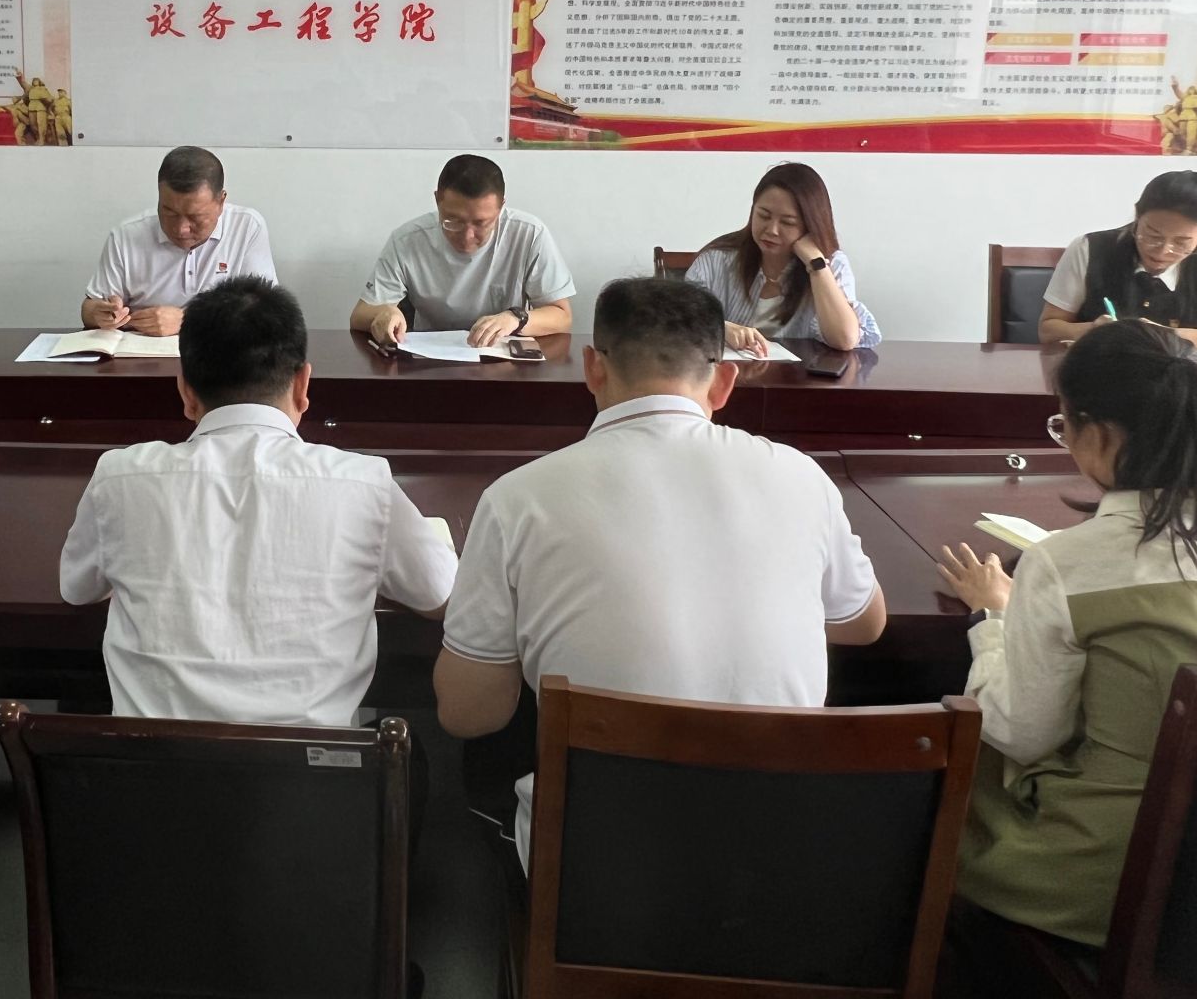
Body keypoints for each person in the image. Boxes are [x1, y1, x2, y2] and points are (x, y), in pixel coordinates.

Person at [433, 277, 886, 869]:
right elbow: (863, 624)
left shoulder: (517, 498)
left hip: (600, 874)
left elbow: (468, 714)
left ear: (592, 368)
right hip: (780, 865)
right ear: (724, 382)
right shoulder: (802, 477)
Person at [939, 321, 1197, 946]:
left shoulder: (1064, 565)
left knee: (954, 762)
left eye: (1064, 424)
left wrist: (995, 618)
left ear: (1099, 434)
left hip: (1115, 881)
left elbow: (1022, 733)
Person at [59, 276, 456, 726]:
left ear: (185, 391)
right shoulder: (365, 483)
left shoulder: (120, 476)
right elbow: (442, 595)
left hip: (149, 767)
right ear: (303, 384)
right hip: (309, 769)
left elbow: (77, 589)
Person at [1037, 170, 1197, 360]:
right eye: (1152, 235)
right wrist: (1093, 330)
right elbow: (1048, 329)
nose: (1163, 250)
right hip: (1093, 374)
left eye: (1181, 243)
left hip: (1174, 386)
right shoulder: (1089, 249)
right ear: (1137, 216)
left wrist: (1168, 335)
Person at [351, 154, 575, 348]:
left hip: (502, 360)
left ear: (501, 207)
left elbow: (562, 316)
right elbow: (359, 315)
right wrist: (383, 313)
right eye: (453, 221)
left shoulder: (529, 234)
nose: (467, 236)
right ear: (437, 200)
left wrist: (516, 319)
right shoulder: (408, 240)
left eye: (481, 223)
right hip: (429, 359)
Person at [80, 146, 276, 337]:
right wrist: (100, 314)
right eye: (170, 213)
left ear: (221, 202)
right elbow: (88, 311)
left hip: (219, 350)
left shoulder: (247, 227)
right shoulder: (126, 236)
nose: (181, 229)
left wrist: (188, 319)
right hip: (141, 352)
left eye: (195, 217)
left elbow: (266, 311)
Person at [686, 161, 880, 354]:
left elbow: (844, 339)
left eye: (787, 222)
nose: (772, 230)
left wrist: (816, 265)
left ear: (810, 225)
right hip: (730, 372)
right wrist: (722, 328)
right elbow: (680, 320)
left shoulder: (832, 264)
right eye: (764, 216)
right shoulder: (716, 260)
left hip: (802, 374)